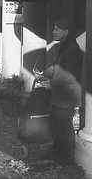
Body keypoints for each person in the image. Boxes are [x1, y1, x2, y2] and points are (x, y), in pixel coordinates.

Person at [35, 19, 83, 163]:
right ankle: (57, 152)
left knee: (64, 127)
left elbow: (69, 77)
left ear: (66, 31)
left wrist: (50, 83)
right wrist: (43, 74)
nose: (53, 32)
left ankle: (67, 157)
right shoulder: (65, 46)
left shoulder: (73, 49)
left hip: (66, 97)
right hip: (60, 96)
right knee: (56, 125)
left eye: (57, 29)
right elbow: (57, 66)